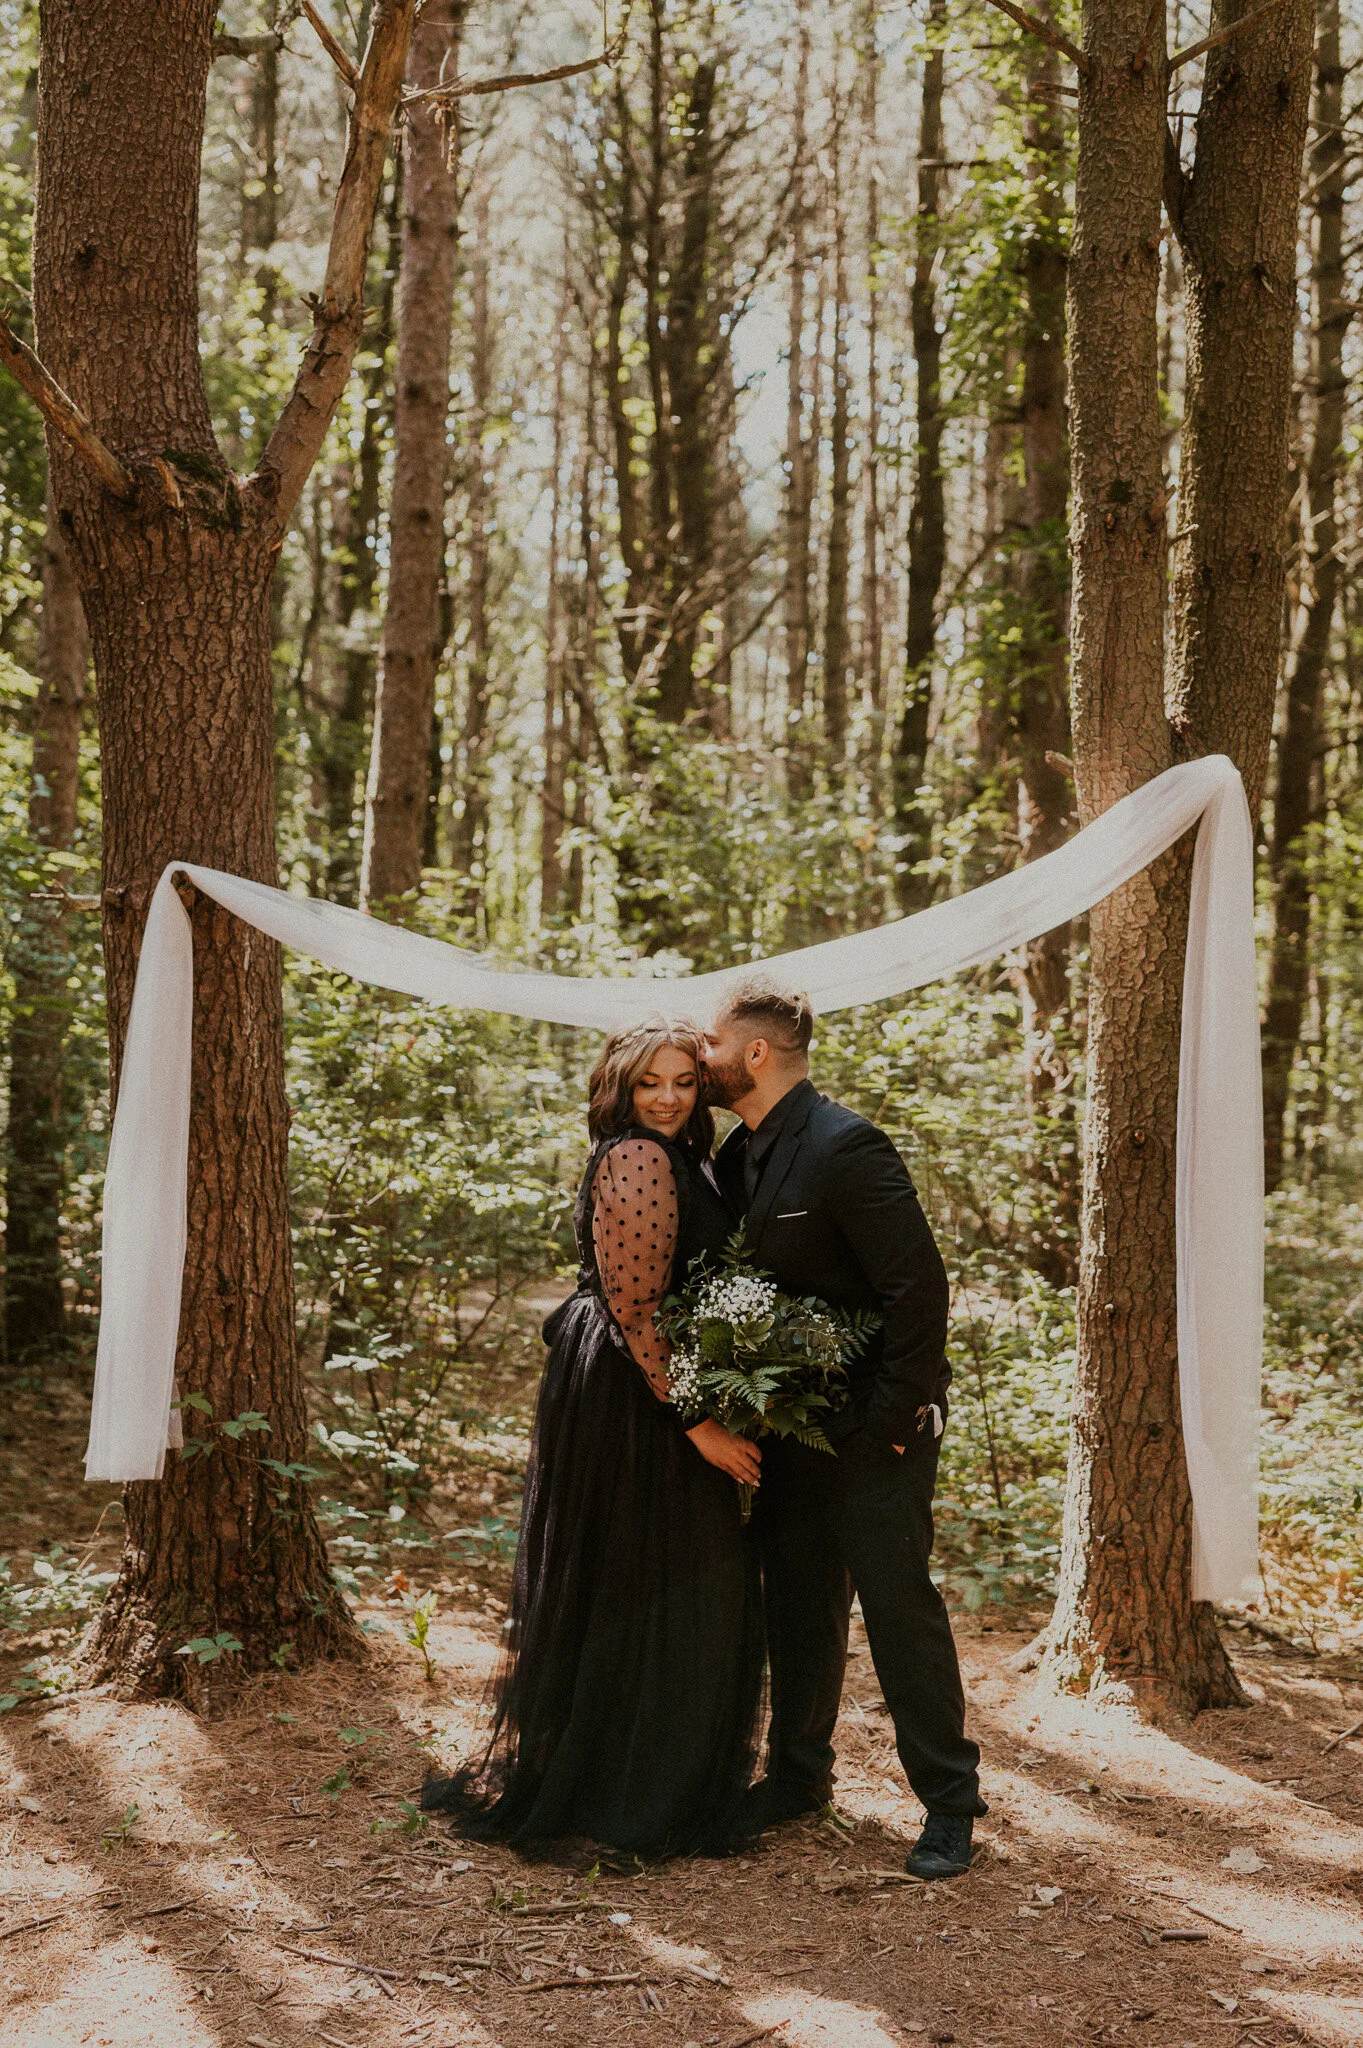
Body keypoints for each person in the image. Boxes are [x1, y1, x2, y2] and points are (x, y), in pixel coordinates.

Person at [421, 1018, 764, 1858]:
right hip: (631, 1390)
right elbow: (636, 1309)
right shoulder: (638, 1157)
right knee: (648, 1578)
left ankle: (643, 1777)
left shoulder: (684, 1155)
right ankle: (619, 1791)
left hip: (640, 1377)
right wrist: (702, 1426)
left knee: (657, 1576)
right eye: (650, 1083)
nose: (668, 1098)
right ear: (619, 1085)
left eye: (684, 1082)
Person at [705, 974, 986, 1881]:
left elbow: (918, 1292)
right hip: (785, 1432)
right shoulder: (733, 1156)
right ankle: (797, 1779)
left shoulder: (848, 1146)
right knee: (796, 1604)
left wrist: (894, 1428)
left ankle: (949, 1805)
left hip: (874, 1433)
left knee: (900, 1614)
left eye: (710, 1045)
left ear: (754, 1052)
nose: (698, 1059)